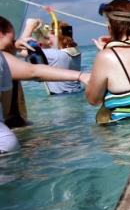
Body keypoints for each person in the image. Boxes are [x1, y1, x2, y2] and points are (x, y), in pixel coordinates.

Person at [0, 15, 90, 153]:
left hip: (58, 100)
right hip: (72, 97)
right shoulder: (74, 53)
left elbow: (32, 69)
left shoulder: (54, 54)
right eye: (12, 40)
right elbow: (32, 69)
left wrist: (25, 33)